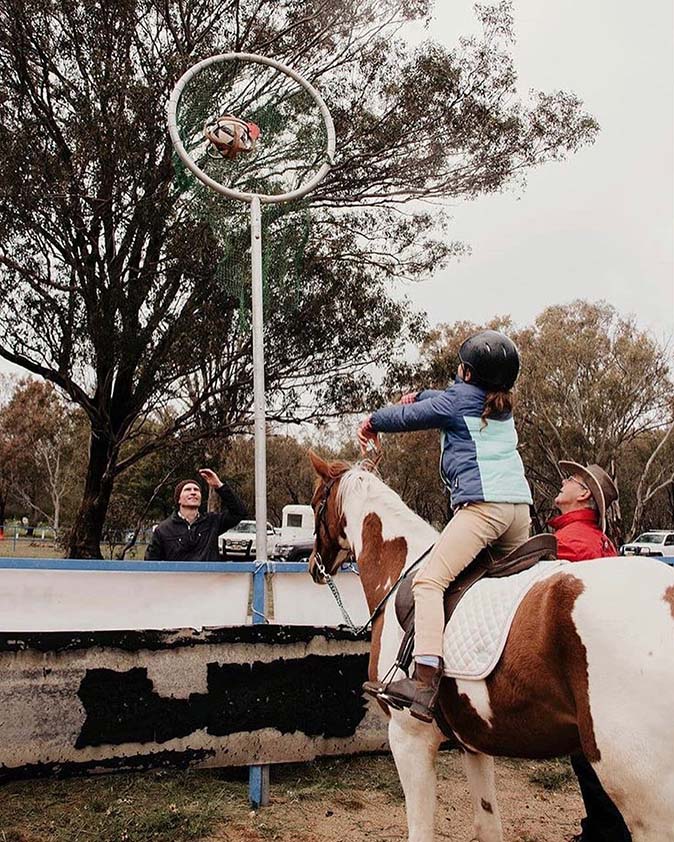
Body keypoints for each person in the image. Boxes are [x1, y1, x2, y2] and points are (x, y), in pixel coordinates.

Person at [358, 330, 532, 722]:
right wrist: (420, 393)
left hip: (484, 510)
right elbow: (441, 399)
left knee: (429, 582)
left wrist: (373, 420)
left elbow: (409, 418)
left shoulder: (457, 402)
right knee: (509, 590)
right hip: (519, 511)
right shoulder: (498, 404)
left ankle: (424, 682)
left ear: (467, 373)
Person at [549, 461, 632, 842]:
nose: (563, 482)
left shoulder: (572, 543)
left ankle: (607, 831)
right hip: (610, 662)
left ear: (583, 495)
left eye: (570, 480)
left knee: (588, 755)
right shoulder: (598, 540)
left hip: (585, 664)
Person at [145, 468, 247, 562]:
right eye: (188, 490)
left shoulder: (212, 522)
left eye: (196, 490)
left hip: (208, 580)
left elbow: (239, 512)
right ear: (178, 499)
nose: (193, 493)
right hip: (177, 580)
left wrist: (219, 486)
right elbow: (151, 562)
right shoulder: (163, 529)